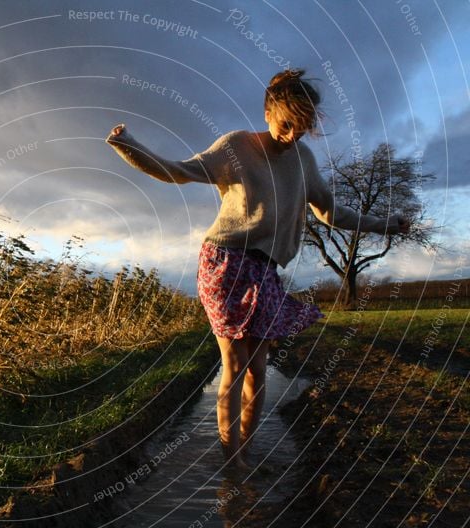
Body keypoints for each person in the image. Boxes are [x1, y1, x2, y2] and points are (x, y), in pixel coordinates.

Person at [106, 69, 410, 471]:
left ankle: (245, 453)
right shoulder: (236, 147)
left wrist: (383, 223)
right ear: (268, 111)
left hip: (265, 270)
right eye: (286, 125)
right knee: (233, 364)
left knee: (259, 368)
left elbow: (330, 211)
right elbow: (179, 171)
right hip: (225, 261)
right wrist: (127, 145)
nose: (291, 137)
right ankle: (232, 462)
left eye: (301, 129)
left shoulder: (303, 159)